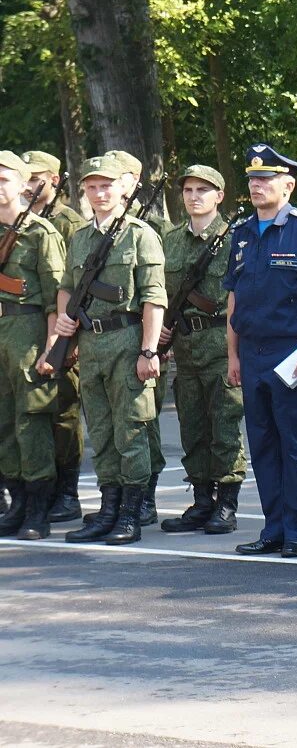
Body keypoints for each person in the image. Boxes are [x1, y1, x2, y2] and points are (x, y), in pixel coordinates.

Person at [39, 155, 166, 546]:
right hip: (91, 344)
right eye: (92, 186)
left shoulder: (140, 234)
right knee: (102, 432)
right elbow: (66, 286)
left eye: (106, 185)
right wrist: (64, 322)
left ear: (124, 187)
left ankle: (131, 510)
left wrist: (148, 351)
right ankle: (108, 508)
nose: (99, 193)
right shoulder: (80, 238)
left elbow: (153, 298)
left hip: (127, 340)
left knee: (131, 430)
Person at [224, 144, 297, 558]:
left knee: (296, 445)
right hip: (252, 354)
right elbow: (234, 299)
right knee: (262, 445)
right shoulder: (240, 234)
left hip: (292, 353)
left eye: (266, 179)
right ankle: (273, 528)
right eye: (253, 179)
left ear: (288, 185)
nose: (257, 185)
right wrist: (233, 355)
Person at [157, 166, 248, 535]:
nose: (194, 196)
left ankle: (227, 504)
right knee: (192, 426)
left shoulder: (235, 239)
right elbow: (161, 293)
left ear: (219, 196)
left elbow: (240, 298)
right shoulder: (171, 240)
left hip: (220, 344)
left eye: (203, 190)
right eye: (189, 189)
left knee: (224, 426)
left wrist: (236, 353)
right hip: (185, 347)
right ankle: (201, 500)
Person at [0, 150, 65, 540]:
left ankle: (39, 507)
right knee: (4, 422)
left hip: (29, 335)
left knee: (32, 420)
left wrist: (52, 348)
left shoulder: (41, 235)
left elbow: (57, 297)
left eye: (3, 178)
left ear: (25, 185)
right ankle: (18, 498)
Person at [20, 151, 87, 523]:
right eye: (25, 178)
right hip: (29, 331)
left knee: (64, 412)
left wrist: (68, 340)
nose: (30, 185)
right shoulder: (20, 220)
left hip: (63, 330)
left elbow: (75, 283)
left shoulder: (68, 223)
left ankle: (68, 490)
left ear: (55, 180)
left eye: (37, 178)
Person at [105, 149, 166, 524]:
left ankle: (146, 494)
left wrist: (154, 343)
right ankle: (120, 498)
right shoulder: (98, 227)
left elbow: (156, 289)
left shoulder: (147, 228)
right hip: (106, 342)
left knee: (144, 422)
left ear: (132, 181)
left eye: (121, 175)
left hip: (143, 336)